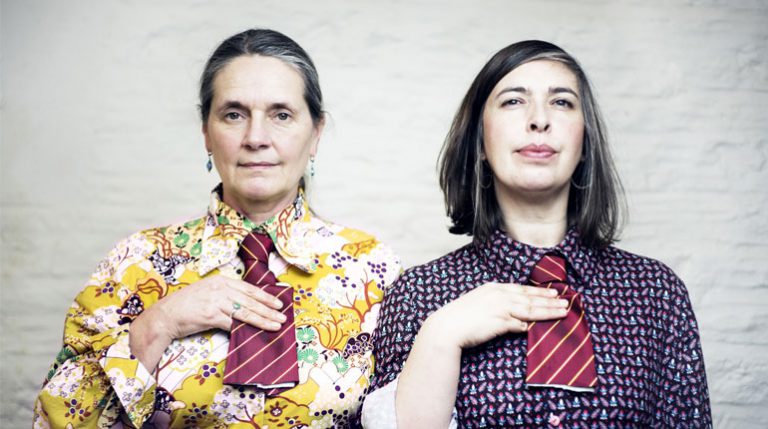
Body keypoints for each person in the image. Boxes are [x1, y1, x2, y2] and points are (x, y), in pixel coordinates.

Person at [34, 28, 400, 429]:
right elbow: (54, 420)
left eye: (281, 115)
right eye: (233, 115)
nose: (256, 138)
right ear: (206, 133)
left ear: (315, 133)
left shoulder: (372, 268)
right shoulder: (133, 263)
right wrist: (159, 324)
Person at [364, 40, 711, 428]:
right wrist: (441, 335)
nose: (539, 120)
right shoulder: (417, 294)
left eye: (561, 102)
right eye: (514, 101)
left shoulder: (657, 293)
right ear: (480, 141)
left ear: (584, 141)